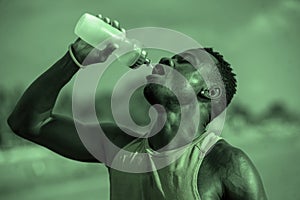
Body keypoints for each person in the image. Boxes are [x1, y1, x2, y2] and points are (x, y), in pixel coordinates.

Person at [7, 15, 267, 200]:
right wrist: (75, 57)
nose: (166, 59)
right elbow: (27, 123)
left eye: (184, 61)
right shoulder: (119, 146)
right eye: (170, 57)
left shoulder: (226, 165)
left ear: (210, 91)